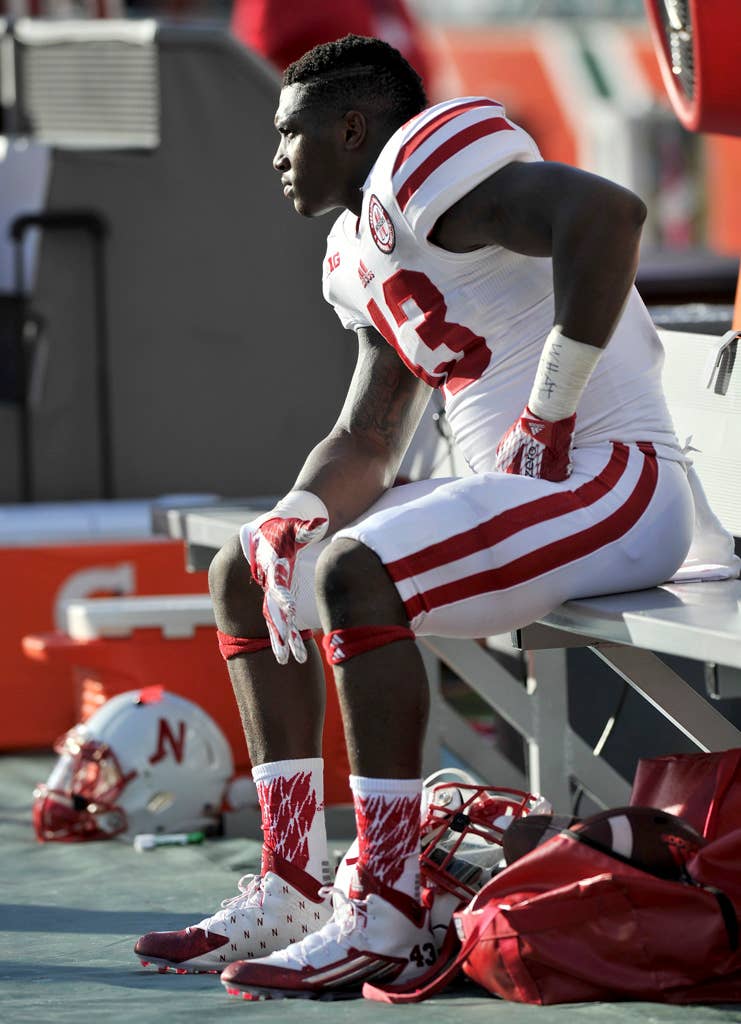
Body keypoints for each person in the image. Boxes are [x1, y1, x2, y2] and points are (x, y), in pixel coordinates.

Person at [135, 33, 696, 999]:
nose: (274, 157)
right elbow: (367, 435)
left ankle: (389, 910)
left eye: (290, 135)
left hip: (615, 480)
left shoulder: (428, 160)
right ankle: (293, 882)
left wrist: (549, 407)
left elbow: (607, 214)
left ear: (354, 128)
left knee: (360, 575)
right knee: (252, 568)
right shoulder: (358, 245)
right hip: (535, 492)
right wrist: (296, 513)